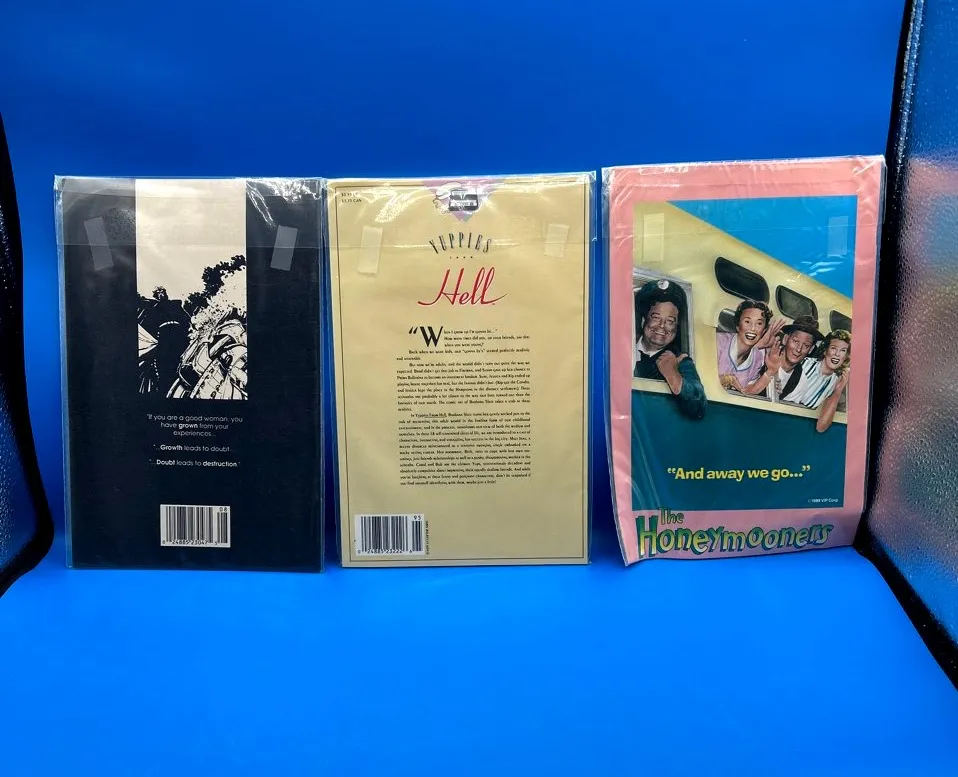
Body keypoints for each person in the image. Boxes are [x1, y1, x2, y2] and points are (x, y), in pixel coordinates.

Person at [634, 278, 706, 420]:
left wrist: (672, 373)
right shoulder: (622, 346)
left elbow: (698, 405)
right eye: (656, 317)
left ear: (676, 328)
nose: (662, 326)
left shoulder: (679, 360)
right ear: (643, 320)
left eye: (670, 321)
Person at [739, 314, 823, 400]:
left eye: (806, 345)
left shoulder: (800, 381)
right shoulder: (761, 355)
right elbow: (740, 391)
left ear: (811, 349)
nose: (798, 349)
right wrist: (758, 345)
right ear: (786, 339)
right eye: (795, 341)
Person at [716, 299, 784, 394]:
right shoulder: (719, 341)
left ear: (763, 331)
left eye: (759, 323)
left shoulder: (758, 358)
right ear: (738, 326)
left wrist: (771, 371)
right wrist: (729, 380)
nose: (753, 328)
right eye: (747, 322)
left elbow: (748, 391)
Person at [781, 329, 851, 419]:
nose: (837, 354)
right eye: (833, 348)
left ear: (846, 356)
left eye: (843, 350)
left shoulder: (836, 383)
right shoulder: (802, 363)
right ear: (825, 350)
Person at [138, 286, 192, 394]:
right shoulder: (153, 309)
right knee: (165, 362)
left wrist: (188, 328)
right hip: (165, 336)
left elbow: (186, 318)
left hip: (178, 333)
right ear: (156, 296)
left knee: (186, 355)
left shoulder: (176, 304)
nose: (161, 294)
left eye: (163, 292)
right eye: (158, 292)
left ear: (166, 293)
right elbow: (149, 326)